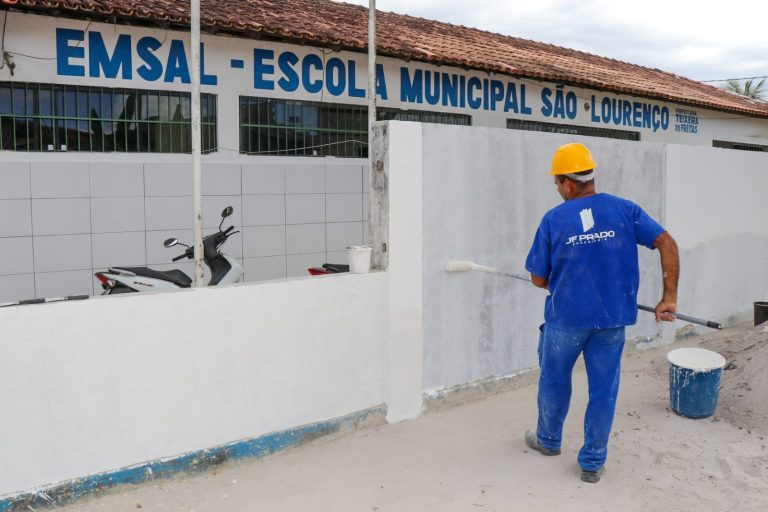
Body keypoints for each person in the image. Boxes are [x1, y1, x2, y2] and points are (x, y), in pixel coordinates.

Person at [523, 142, 679, 483]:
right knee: (603, 390)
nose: (557, 189)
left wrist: (560, 275)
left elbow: (538, 278)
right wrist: (668, 298)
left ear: (567, 182)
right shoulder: (625, 210)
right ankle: (592, 462)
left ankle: (548, 440)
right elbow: (666, 242)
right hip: (611, 320)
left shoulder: (553, 219)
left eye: (556, 183)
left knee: (554, 379)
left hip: (565, 319)